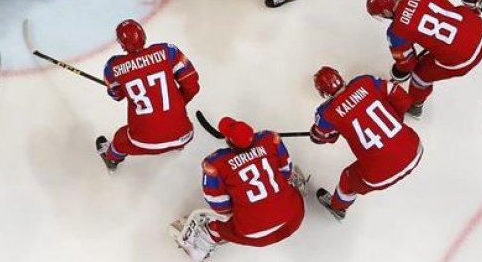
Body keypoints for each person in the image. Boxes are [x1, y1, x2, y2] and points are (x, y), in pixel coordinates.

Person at [170, 117, 305, 261]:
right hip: (294, 219)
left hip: (256, 236)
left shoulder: (215, 163)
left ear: (228, 141)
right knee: (290, 188)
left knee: (219, 226)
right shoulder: (270, 138)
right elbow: (286, 172)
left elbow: (220, 206)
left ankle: (204, 240)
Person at [366, 0, 482, 117]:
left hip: (464, 60)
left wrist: (398, 72)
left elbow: (408, 64)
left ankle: (415, 105)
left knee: (420, 75)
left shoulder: (395, 32)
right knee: (458, 15)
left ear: (386, 12)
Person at [309, 66, 422, 220]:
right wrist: (395, 121)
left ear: (323, 92)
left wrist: (319, 133)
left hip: (381, 174)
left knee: (348, 179)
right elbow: (403, 98)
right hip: (414, 148)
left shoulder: (326, 113)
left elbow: (321, 138)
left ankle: (338, 207)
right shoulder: (365, 82)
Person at [95, 19, 199, 172]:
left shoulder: (113, 67)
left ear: (122, 44)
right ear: (143, 35)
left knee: (119, 139)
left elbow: (116, 96)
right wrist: (178, 105)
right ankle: (177, 145)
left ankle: (111, 159)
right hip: (185, 135)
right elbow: (192, 85)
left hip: (145, 142)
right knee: (175, 125)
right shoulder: (168, 51)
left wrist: (120, 86)